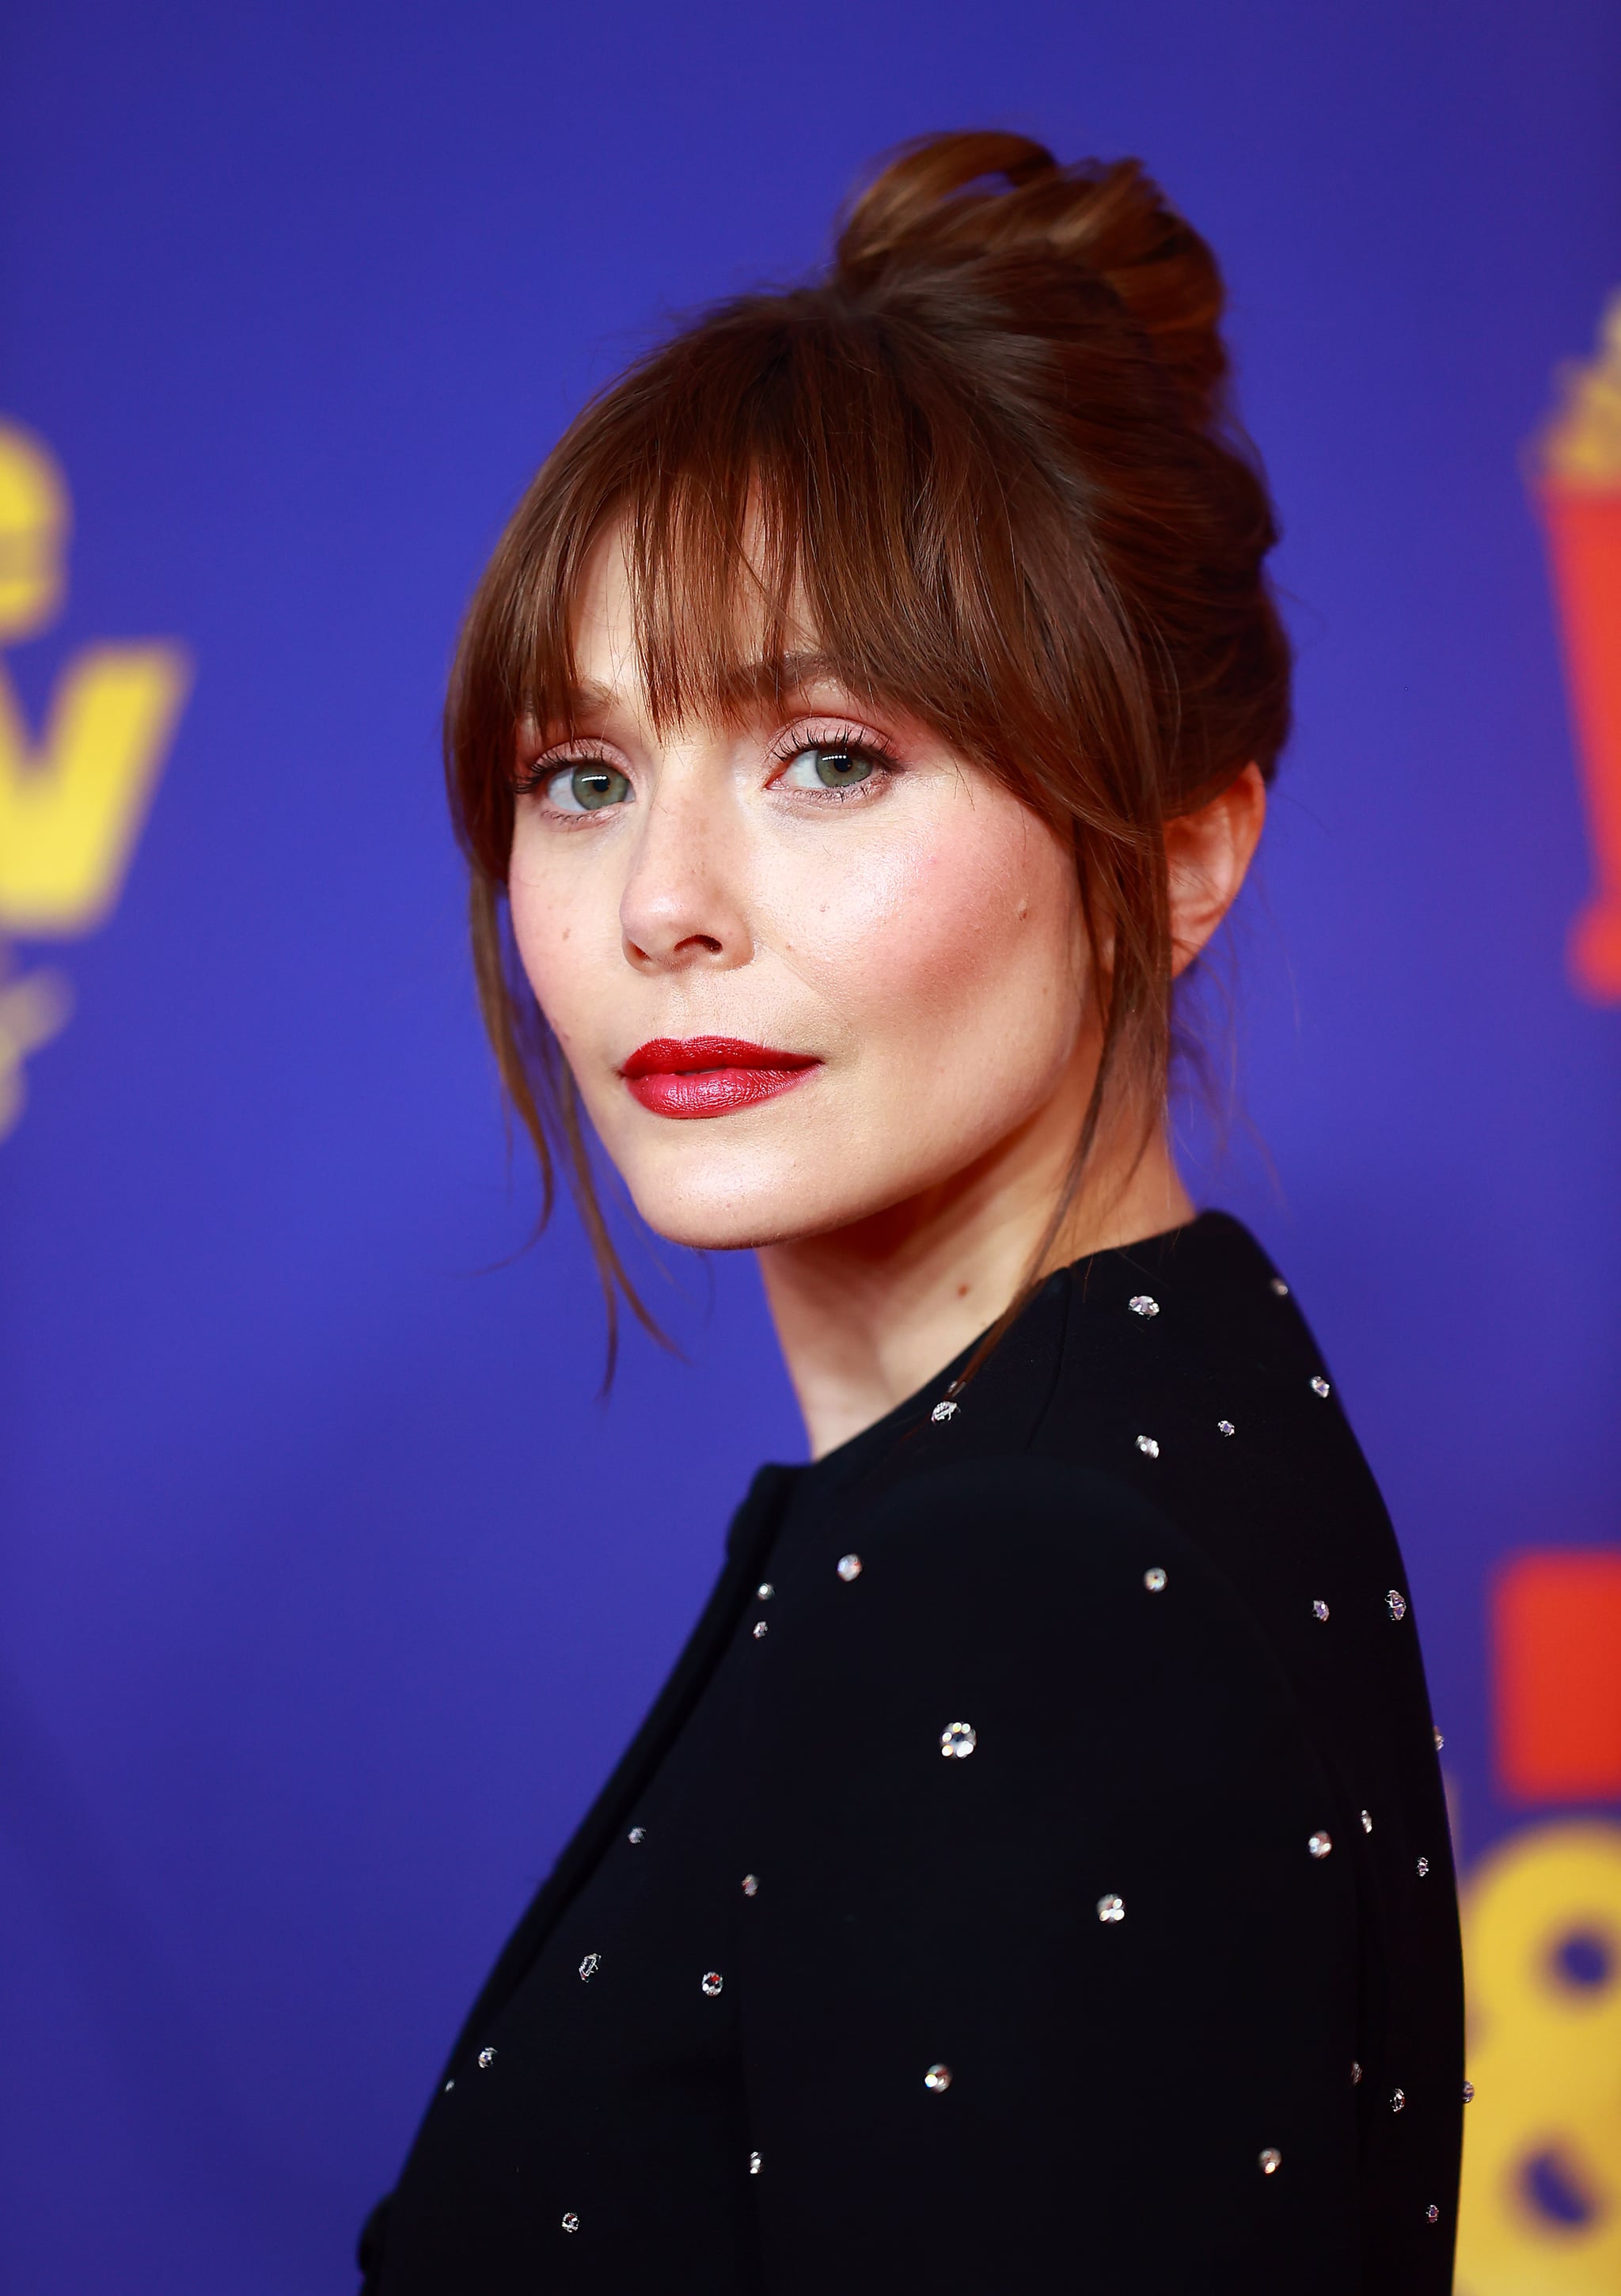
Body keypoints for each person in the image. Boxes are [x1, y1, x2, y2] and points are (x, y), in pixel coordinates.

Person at [359, 131, 1463, 2294]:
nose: (662, 906)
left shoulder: (1023, 1587)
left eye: (830, 754)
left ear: (1179, 844)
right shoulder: (1191, 1401)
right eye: (584, 778)